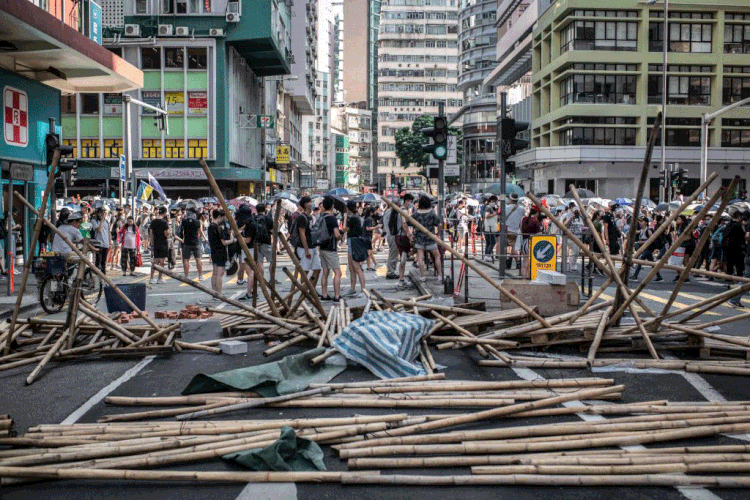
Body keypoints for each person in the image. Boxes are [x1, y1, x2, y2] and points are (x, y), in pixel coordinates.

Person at [290, 196, 321, 299]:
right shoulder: (302, 217)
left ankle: (311, 290)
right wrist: (306, 250)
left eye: (311, 202)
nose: (311, 204)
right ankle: (305, 293)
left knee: (317, 268)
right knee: (305, 271)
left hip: (312, 247)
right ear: (304, 205)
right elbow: (302, 234)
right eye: (309, 202)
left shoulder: (311, 217)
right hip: (304, 248)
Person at [412, 195, 443, 282]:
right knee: (437, 256)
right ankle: (440, 275)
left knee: (420, 257)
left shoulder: (416, 214)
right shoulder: (432, 212)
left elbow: (408, 222)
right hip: (430, 238)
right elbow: (439, 224)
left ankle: (422, 276)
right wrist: (438, 232)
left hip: (419, 238)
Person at [319, 196, 344, 302]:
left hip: (321, 247)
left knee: (325, 272)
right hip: (331, 248)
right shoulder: (332, 218)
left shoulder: (321, 217)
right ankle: (337, 295)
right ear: (332, 206)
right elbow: (337, 235)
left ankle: (324, 294)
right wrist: (341, 236)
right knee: (338, 272)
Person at [207, 209, 234, 297]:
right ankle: (219, 293)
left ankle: (214, 292)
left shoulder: (210, 226)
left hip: (213, 251)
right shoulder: (218, 227)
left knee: (214, 273)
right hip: (220, 252)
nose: (222, 219)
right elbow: (224, 242)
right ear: (219, 217)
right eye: (222, 217)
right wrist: (232, 240)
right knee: (219, 274)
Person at [343, 200, 367, 296]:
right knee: (351, 267)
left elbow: (345, 229)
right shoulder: (356, 217)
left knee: (356, 267)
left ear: (348, 208)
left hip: (354, 242)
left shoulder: (353, 218)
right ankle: (352, 288)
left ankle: (363, 290)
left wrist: (345, 219)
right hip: (352, 242)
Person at [630, 216, 663, 282]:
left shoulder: (648, 230)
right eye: (639, 221)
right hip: (645, 249)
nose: (640, 223)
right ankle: (659, 276)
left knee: (641, 260)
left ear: (646, 222)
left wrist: (642, 242)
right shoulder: (642, 230)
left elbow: (652, 240)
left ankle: (635, 275)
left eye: (642, 221)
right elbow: (636, 232)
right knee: (652, 263)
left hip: (648, 249)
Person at [730, 215, 750, 308]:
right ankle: (734, 299)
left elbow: (747, 236)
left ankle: (734, 299)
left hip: (748, 254)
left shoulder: (748, 226)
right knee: (746, 280)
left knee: (745, 280)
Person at [178, 208, 204, 280]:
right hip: (196, 242)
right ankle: (200, 275)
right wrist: (204, 238)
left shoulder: (184, 221)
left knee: (186, 260)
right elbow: (200, 231)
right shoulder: (197, 222)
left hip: (186, 242)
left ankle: (186, 276)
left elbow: (182, 230)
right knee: (198, 259)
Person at [396, 194, 415, 289]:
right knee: (403, 258)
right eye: (410, 201)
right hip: (403, 236)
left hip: (399, 236)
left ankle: (401, 279)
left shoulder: (401, 209)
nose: (411, 203)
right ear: (407, 201)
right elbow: (404, 223)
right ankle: (401, 279)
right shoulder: (403, 210)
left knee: (403, 257)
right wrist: (408, 234)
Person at [148, 206, 170, 284]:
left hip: (155, 242)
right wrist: (169, 229)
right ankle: (160, 278)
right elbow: (166, 234)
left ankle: (151, 277)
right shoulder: (164, 222)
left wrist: (152, 243)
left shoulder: (153, 221)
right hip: (163, 242)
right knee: (162, 261)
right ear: (165, 212)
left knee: (155, 260)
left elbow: (151, 234)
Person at [520, 205, 542, 278]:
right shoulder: (535, 222)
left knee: (524, 263)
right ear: (537, 213)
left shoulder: (523, 219)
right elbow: (539, 234)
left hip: (524, 243)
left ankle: (523, 278)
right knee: (532, 262)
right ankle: (531, 277)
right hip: (532, 243)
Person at [504, 192, 524, 269]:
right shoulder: (522, 209)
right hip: (518, 231)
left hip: (508, 230)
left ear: (510, 199)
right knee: (514, 247)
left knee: (510, 247)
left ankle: (515, 261)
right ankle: (512, 261)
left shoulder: (506, 207)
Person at [90, 207, 111, 275]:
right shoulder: (94, 221)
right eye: (101, 213)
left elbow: (108, 233)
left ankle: (103, 276)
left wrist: (110, 243)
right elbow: (99, 229)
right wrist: (102, 220)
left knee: (104, 262)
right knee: (98, 261)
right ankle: (97, 276)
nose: (103, 214)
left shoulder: (107, 222)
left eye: (104, 213)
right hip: (98, 243)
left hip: (106, 244)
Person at [382, 202, 400, 279]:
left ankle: (391, 270)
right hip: (393, 235)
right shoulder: (393, 214)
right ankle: (390, 272)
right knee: (393, 254)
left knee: (392, 253)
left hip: (389, 235)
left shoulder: (386, 213)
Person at [362, 206, 379, 271]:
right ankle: (361, 265)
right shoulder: (369, 219)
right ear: (372, 212)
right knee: (368, 253)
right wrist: (376, 227)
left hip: (365, 237)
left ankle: (374, 264)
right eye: (374, 211)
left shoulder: (366, 218)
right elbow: (368, 228)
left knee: (370, 252)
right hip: (367, 237)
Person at [483, 196, 498, 262]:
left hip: (489, 227)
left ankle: (487, 255)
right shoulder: (488, 207)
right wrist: (494, 214)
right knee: (493, 242)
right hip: (489, 227)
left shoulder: (490, 207)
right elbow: (487, 216)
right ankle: (488, 255)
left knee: (488, 242)